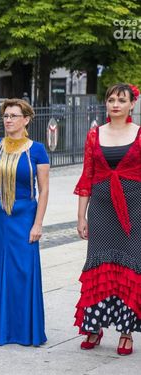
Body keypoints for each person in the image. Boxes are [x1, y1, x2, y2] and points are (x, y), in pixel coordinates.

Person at [0, 98, 50, 346]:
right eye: (5, 116)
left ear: (26, 120)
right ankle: (2, 329)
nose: (8, 120)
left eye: (13, 116)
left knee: (23, 271)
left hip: (25, 216)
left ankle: (25, 330)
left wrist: (38, 224)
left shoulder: (37, 150)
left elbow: (44, 190)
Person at [74, 83, 141, 355]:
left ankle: (126, 331)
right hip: (101, 208)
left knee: (130, 265)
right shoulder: (94, 134)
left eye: (121, 100)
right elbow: (87, 175)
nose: (115, 104)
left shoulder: (140, 134)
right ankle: (94, 326)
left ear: (132, 104)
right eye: (111, 100)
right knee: (98, 264)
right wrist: (81, 216)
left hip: (134, 209)